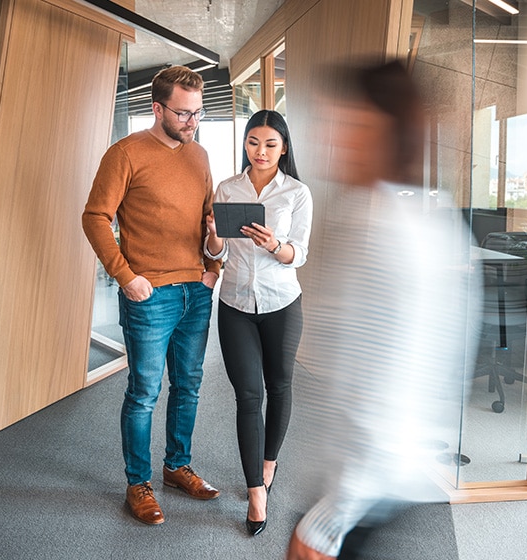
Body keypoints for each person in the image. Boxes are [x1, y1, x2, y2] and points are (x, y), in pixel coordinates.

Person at [286, 60, 479, 559]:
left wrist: (331, 517)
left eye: (353, 127)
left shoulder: (395, 236)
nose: (337, 141)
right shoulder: (376, 215)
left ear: (390, 134)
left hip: (368, 491)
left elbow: (390, 388)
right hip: (360, 482)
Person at [82, 65, 222, 526]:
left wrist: (213, 267)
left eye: (197, 113)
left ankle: (177, 466)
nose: (192, 122)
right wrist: (124, 275)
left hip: (195, 291)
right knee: (144, 392)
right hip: (148, 294)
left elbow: (209, 222)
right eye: (183, 114)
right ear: (156, 107)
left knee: (189, 385)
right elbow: (95, 217)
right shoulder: (125, 153)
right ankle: (137, 483)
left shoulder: (200, 156)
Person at [204, 110, 312, 536]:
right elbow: (218, 253)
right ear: (245, 144)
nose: (261, 151)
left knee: (279, 386)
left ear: (283, 147)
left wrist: (275, 245)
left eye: (270, 144)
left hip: (282, 304)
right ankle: (256, 491)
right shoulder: (228, 188)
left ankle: (270, 461)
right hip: (234, 304)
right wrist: (213, 235)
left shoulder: (297, 193)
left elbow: (299, 253)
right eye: (253, 142)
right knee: (248, 397)